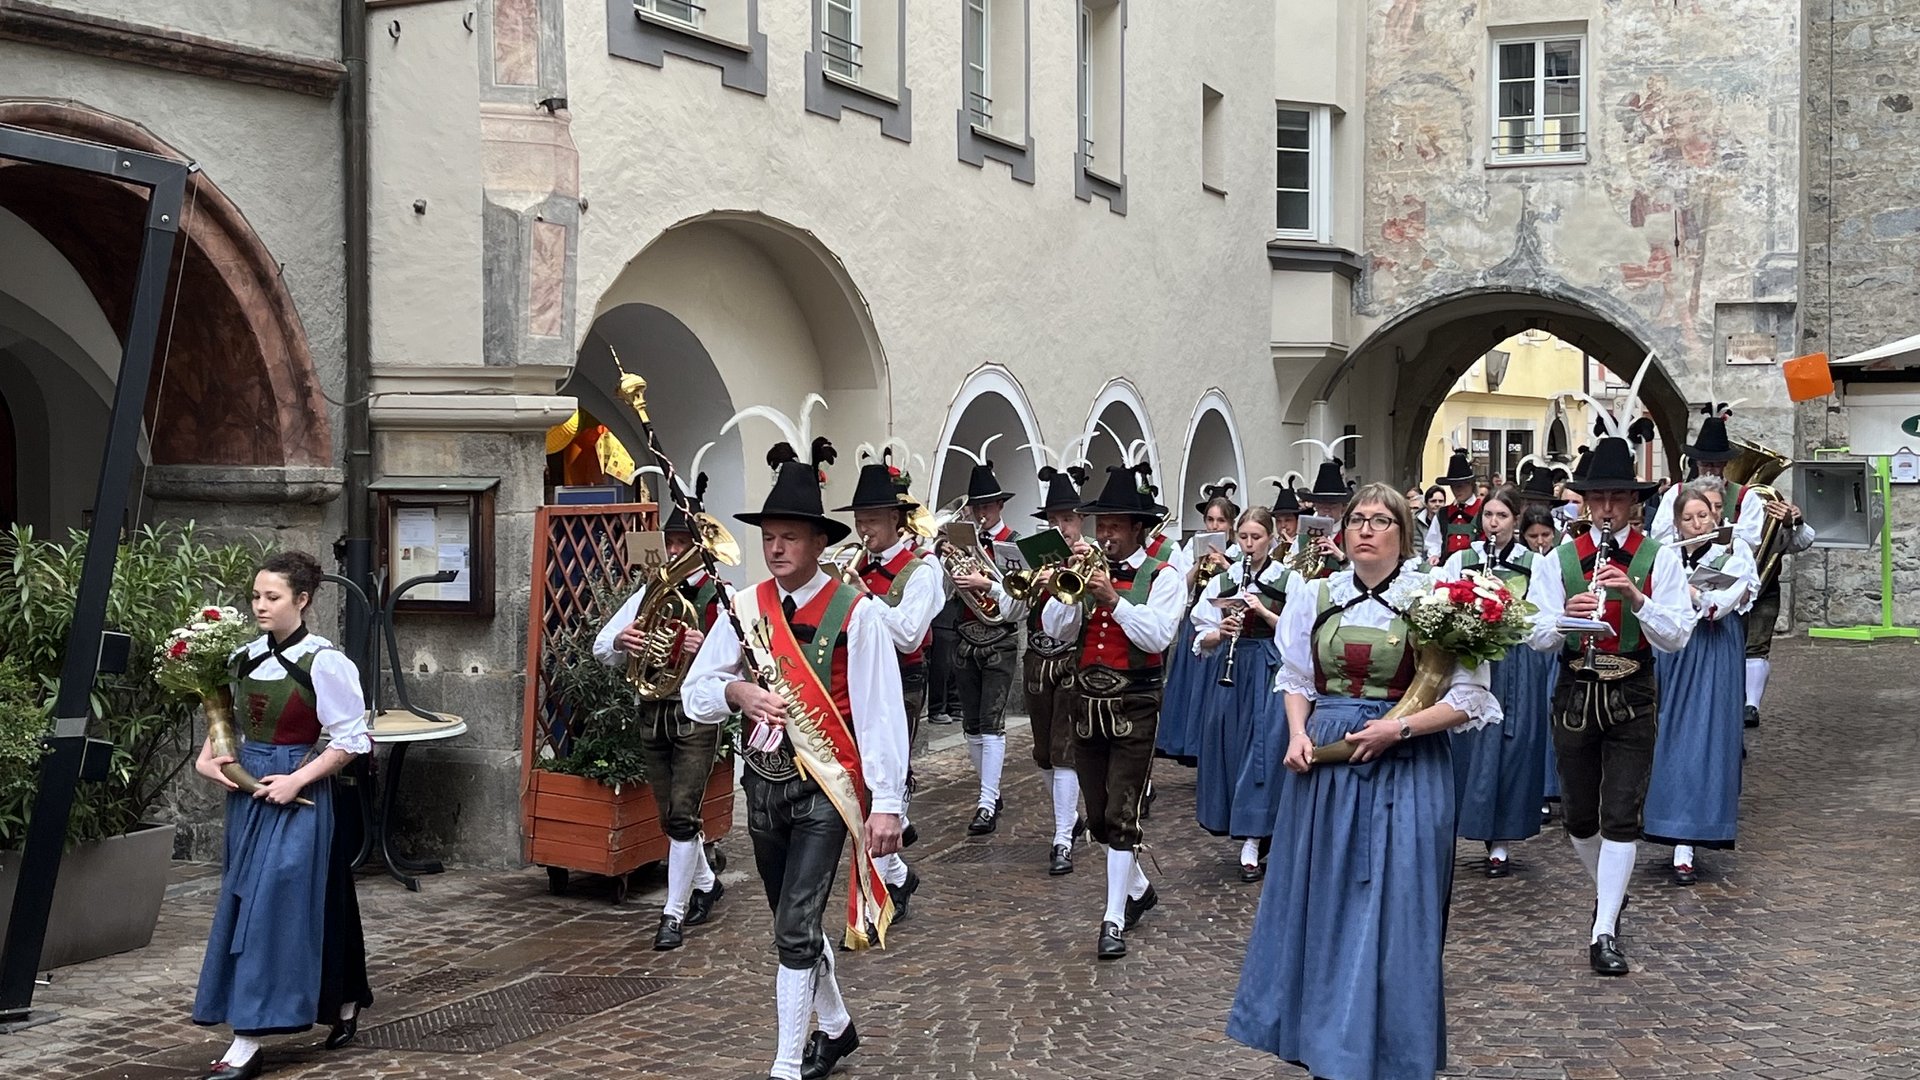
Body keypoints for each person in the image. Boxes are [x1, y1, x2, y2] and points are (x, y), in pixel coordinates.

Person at [1227, 484, 1500, 1080]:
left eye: (1381, 520)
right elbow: (1297, 678)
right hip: (1325, 770)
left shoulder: (1435, 598)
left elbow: (1469, 698)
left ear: (1404, 533)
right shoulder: (1314, 595)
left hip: (1408, 768)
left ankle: (1391, 1054)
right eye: (1357, 520)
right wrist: (1297, 733)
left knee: (1396, 907)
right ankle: (1326, 1050)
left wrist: (1397, 730)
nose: (1366, 529)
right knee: (1321, 903)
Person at [683, 439, 907, 1080]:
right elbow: (697, 692)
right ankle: (835, 1029)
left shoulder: (857, 615)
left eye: (788, 537)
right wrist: (737, 692)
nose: (776, 548)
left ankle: (785, 1064)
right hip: (763, 786)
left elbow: (880, 713)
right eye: (769, 537)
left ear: (816, 543)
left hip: (825, 791)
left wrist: (887, 803)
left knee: (796, 925)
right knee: (792, 922)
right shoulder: (742, 608)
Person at [192, 551, 373, 1080]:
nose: (260, 605)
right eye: (256, 596)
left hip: (300, 796)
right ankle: (342, 996)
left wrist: (296, 779)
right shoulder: (243, 658)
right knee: (263, 901)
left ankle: (247, 1039)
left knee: (270, 909)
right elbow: (225, 726)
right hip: (248, 793)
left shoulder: (325, 662)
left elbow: (352, 740)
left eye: (272, 596)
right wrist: (209, 758)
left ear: (302, 599)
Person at [1527, 432, 1696, 976]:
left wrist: (1636, 598)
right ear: (1583, 503)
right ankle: (1611, 894)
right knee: (1579, 818)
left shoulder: (1659, 558)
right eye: (1596, 498)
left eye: (1616, 498)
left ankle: (1603, 930)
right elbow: (1534, 634)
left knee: (1622, 815)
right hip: (1576, 689)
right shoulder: (1557, 560)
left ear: (1632, 503)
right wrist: (1565, 618)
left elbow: (1677, 636)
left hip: (1632, 690)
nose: (1605, 509)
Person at [1038, 462, 1183, 960]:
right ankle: (1138, 889)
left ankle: (1112, 919)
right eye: (1103, 526)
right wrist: (1067, 588)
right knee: (1098, 819)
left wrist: (1113, 600)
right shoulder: (1089, 569)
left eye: (1116, 526)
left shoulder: (1163, 576)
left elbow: (1158, 637)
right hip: (1085, 703)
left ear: (1138, 528)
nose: (1106, 536)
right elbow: (1055, 631)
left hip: (1135, 703)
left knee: (1122, 814)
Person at [593, 478, 728, 951]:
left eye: (683, 543)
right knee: (669, 816)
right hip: (652, 711)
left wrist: (704, 647)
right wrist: (622, 640)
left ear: (701, 547)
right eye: (670, 542)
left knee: (684, 815)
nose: (673, 551)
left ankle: (672, 914)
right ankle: (707, 884)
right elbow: (600, 648)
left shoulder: (723, 597)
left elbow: (745, 665)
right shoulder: (648, 593)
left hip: (696, 716)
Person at [835, 448, 943, 918]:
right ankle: (897, 876)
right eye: (860, 519)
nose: (864, 529)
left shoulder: (923, 571)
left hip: (902, 680)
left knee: (884, 774)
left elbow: (909, 634)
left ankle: (877, 892)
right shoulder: (855, 564)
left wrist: (865, 599)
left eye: (873, 520)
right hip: (855, 681)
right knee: (859, 779)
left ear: (897, 520)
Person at [1643, 480, 1758, 885]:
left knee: (1703, 736)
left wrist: (1689, 591)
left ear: (1715, 517)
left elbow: (1720, 604)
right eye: (1688, 518)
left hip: (1712, 649)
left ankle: (1690, 837)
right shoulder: (1665, 554)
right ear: (1677, 523)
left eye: (1703, 516)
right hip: (1669, 648)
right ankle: (1659, 819)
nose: (1697, 524)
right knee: (1662, 733)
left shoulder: (1733, 552)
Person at [1439, 486, 1554, 878]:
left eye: (1502, 516)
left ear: (1515, 520)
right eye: (1488, 515)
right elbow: (1444, 602)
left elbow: (1542, 614)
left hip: (1516, 660)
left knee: (1512, 746)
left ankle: (1501, 839)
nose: (1493, 523)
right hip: (1472, 659)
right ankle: (1459, 826)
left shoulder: (1533, 563)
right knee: (1468, 743)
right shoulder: (1462, 559)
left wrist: (1509, 616)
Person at [1190, 506, 1290, 881]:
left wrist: (1262, 611)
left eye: (1257, 537)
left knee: (1264, 748)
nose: (1249, 545)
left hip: (1271, 669)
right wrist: (1220, 631)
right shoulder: (1223, 580)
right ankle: (1246, 827)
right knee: (1231, 746)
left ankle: (1254, 836)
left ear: (1270, 539)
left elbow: (1299, 631)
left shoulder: (1289, 580)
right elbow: (1200, 635)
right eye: (1244, 537)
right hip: (1232, 670)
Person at [940, 442, 1024, 835]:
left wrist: (985, 582)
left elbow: (1021, 599)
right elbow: (944, 594)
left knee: (992, 723)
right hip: (964, 637)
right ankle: (990, 791)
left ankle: (986, 803)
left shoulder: (1014, 543)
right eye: (976, 506)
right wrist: (944, 561)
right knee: (970, 725)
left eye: (987, 505)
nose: (981, 512)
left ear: (1000, 505)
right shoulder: (962, 541)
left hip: (1000, 638)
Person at [1025, 461, 1093, 873]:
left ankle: (1062, 839)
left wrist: (1063, 578)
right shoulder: (1037, 558)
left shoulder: (1091, 557)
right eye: (1054, 519)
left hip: (1072, 662)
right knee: (1043, 752)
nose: (1061, 527)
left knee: (1065, 751)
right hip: (1036, 661)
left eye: (1067, 519)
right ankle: (1070, 818)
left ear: (1080, 520)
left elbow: (1067, 624)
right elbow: (1010, 608)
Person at [1154, 489, 1239, 766]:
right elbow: (1183, 589)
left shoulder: (1238, 551)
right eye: (1210, 520)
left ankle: (1210, 747)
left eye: (1221, 521)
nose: (1214, 526)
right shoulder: (1193, 546)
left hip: (1225, 625)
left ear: (1230, 525)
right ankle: (1188, 743)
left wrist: (1225, 564)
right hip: (1197, 624)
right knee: (1191, 687)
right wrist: (1198, 564)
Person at [1742, 493, 1814, 728]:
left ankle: (1751, 706)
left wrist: (1792, 522)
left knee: (1757, 645)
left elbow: (1799, 544)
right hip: (1723, 588)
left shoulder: (1766, 503)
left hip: (1764, 587)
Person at [1647, 405, 1765, 549]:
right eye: (1704, 464)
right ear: (1697, 462)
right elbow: (1660, 536)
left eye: (1715, 465)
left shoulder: (1745, 496)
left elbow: (1752, 540)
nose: (1709, 470)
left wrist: (1721, 528)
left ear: (1725, 463)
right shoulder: (1676, 493)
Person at [1519, 505, 1565, 817]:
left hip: (1558, 647)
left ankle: (1560, 785)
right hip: (1532, 647)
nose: (1540, 542)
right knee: (1537, 716)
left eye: (1545, 535)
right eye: (1533, 536)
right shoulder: (1525, 563)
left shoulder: (1561, 559)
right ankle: (1542, 788)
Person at [1424, 448, 1484, 562]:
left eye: (1460, 485)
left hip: (1474, 566)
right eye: (1453, 486)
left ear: (1471, 484)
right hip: (1446, 566)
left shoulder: (1483, 510)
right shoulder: (1443, 513)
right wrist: (1434, 556)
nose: (1456, 490)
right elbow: (1434, 541)